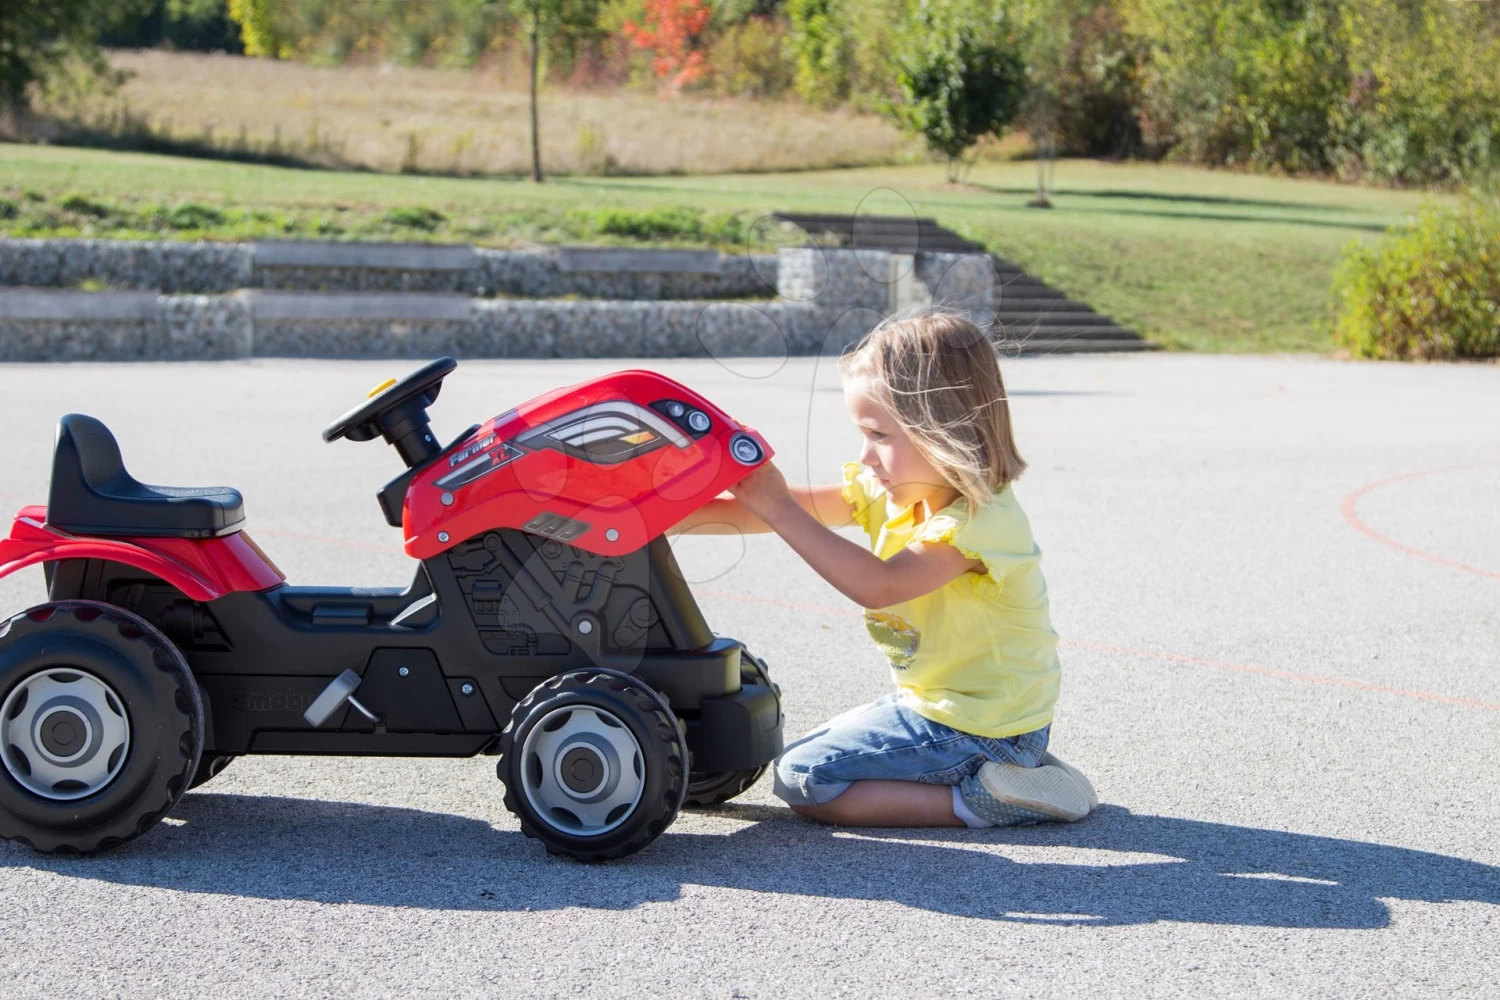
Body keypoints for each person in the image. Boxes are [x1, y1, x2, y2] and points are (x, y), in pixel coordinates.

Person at [669, 310, 1096, 828]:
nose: (866, 457)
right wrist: (658, 515)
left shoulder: (976, 524)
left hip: (980, 725)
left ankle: (988, 798)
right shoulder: (892, 491)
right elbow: (766, 510)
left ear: (944, 428)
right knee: (814, 752)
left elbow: (880, 585)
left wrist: (776, 504)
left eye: (879, 435)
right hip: (967, 712)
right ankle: (1022, 770)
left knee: (805, 776)